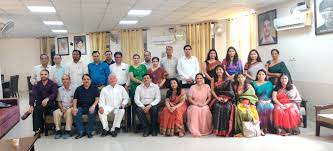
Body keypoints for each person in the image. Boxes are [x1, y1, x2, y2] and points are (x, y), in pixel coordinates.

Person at [28, 69, 58, 136]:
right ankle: (37, 130)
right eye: (42, 74)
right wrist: (31, 105)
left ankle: (41, 128)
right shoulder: (37, 84)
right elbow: (33, 95)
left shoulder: (53, 83)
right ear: (40, 75)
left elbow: (54, 93)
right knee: (36, 109)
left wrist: (47, 99)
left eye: (45, 74)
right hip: (40, 103)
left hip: (50, 103)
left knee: (39, 109)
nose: (43, 76)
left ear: (48, 75)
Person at [209, 65, 235, 137]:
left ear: (224, 71)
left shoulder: (227, 79)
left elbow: (231, 91)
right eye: (217, 70)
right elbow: (212, 91)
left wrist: (227, 98)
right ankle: (217, 130)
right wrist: (217, 98)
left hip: (227, 98)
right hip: (217, 97)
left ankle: (226, 130)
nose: (219, 71)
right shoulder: (213, 79)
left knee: (227, 107)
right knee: (217, 106)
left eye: (220, 70)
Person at [72, 74, 99, 139]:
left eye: (88, 79)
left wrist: (93, 106)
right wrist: (74, 108)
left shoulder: (95, 88)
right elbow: (75, 100)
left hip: (91, 106)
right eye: (84, 79)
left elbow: (97, 99)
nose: (86, 80)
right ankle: (81, 131)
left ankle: (89, 132)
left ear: (90, 80)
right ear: (82, 80)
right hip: (81, 107)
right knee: (76, 112)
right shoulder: (78, 89)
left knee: (91, 113)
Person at [252, 69, 274, 135]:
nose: (261, 76)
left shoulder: (269, 83)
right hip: (258, 100)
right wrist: (258, 100)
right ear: (257, 75)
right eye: (259, 74)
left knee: (270, 106)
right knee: (260, 107)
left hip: (268, 100)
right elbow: (252, 94)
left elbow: (272, 94)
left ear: (265, 76)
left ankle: (267, 127)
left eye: (262, 74)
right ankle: (260, 128)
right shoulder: (253, 83)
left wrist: (269, 100)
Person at [128, 54, 147, 130]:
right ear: (133, 59)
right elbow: (131, 77)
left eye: (137, 58)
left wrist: (143, 83)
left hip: (143, 88)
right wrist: (140, 82)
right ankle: (135, 126)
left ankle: (142, 124)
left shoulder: (143, 66)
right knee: (134, 106)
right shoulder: (131, 67)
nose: (136, 59)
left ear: (139, 59)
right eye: (134, 58)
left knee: (142, 105)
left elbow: (146, 76)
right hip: (134, 88)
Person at [53, 74, 74, 139]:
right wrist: (62, 108)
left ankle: (68, 131)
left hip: (71, 107)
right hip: (62, 107)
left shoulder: (74, 88)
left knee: (69, 111)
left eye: (66, 79)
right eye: (63, 79)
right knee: (56, 112)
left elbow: (75, 101)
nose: (65, 81)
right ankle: (58, 131)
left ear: (69, 80)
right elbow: (59, 101)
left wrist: (67, 108)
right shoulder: (59, 89)